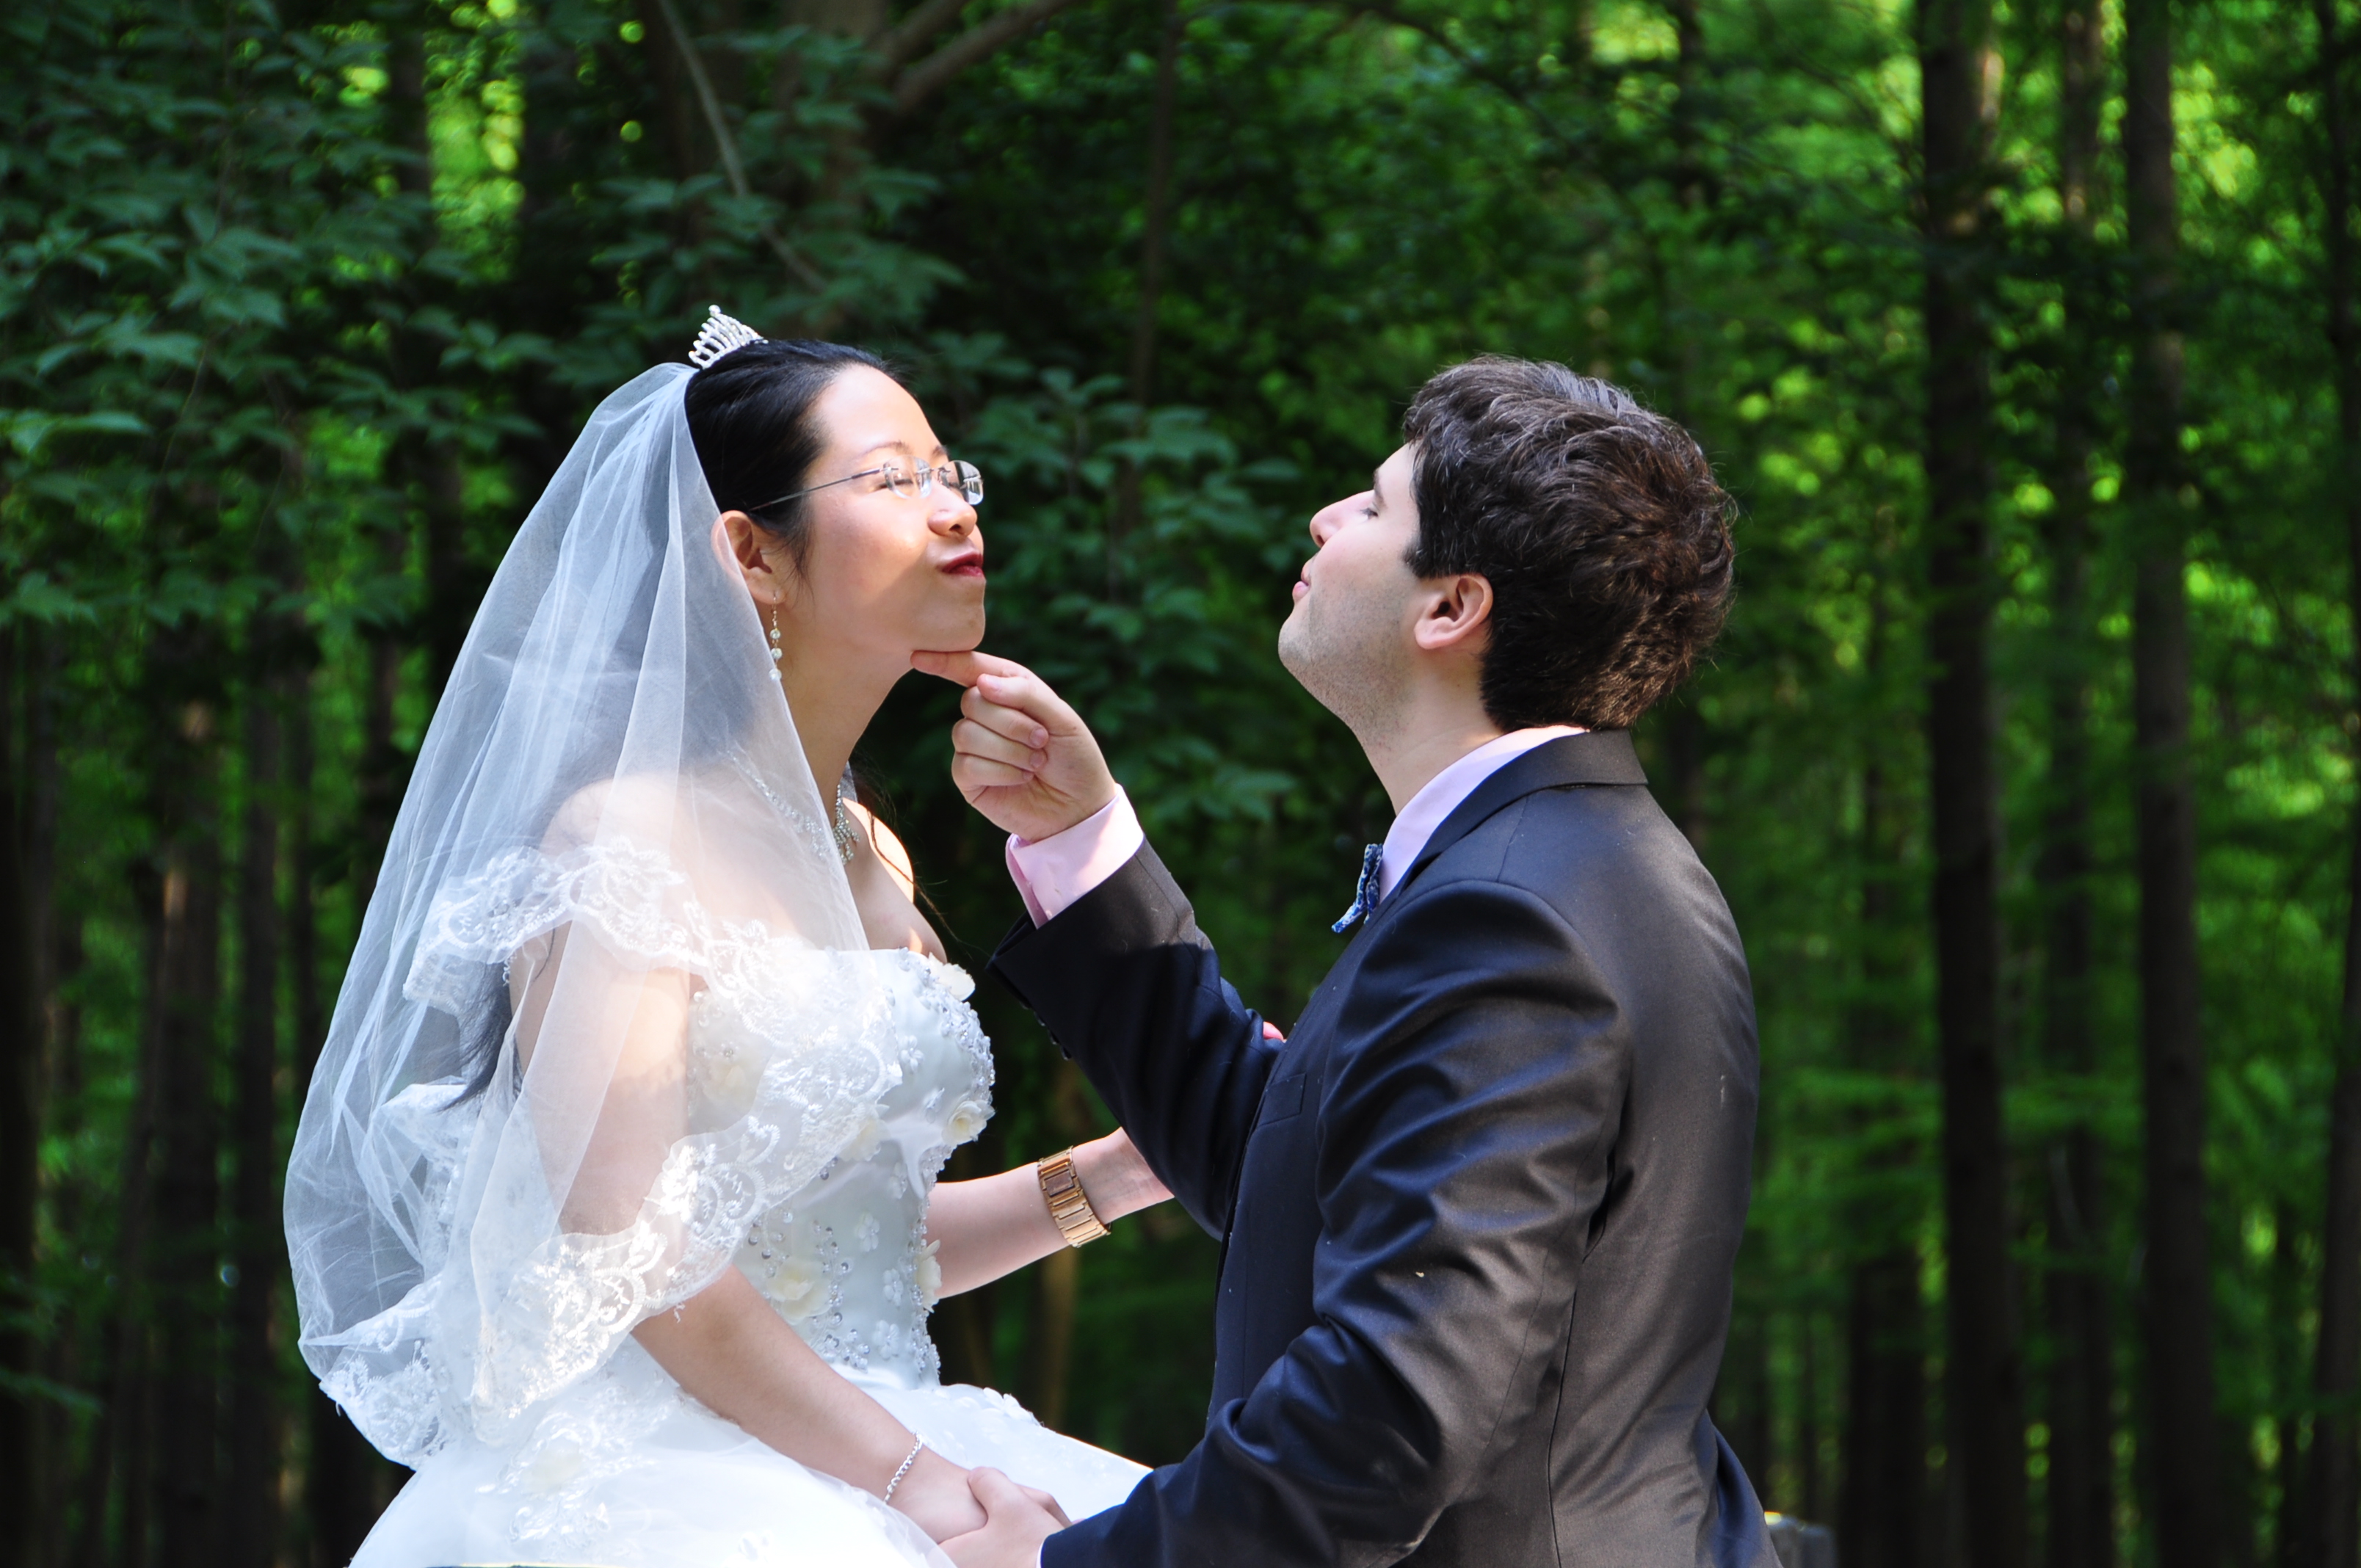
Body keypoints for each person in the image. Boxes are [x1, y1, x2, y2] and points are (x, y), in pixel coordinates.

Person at [284, 310, 1169, 1568]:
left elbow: (853, 1244)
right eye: (892, 479)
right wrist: (918, 1489)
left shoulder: (875, 853)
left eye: (951, 474)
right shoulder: (620, 845)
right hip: (676, 1477)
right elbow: (634, 1247)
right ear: (753, 554)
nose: (953, 510)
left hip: (876, 1427)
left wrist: (1115, 1177)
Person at [918, 357, 1777, 1567]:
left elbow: (1388, 1413)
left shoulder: (1509, 916)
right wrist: (1082, 843)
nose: (1325, 519)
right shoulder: (1584, 866)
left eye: (1374, 505)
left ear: (1450, 608)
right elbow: (1294, 1177)